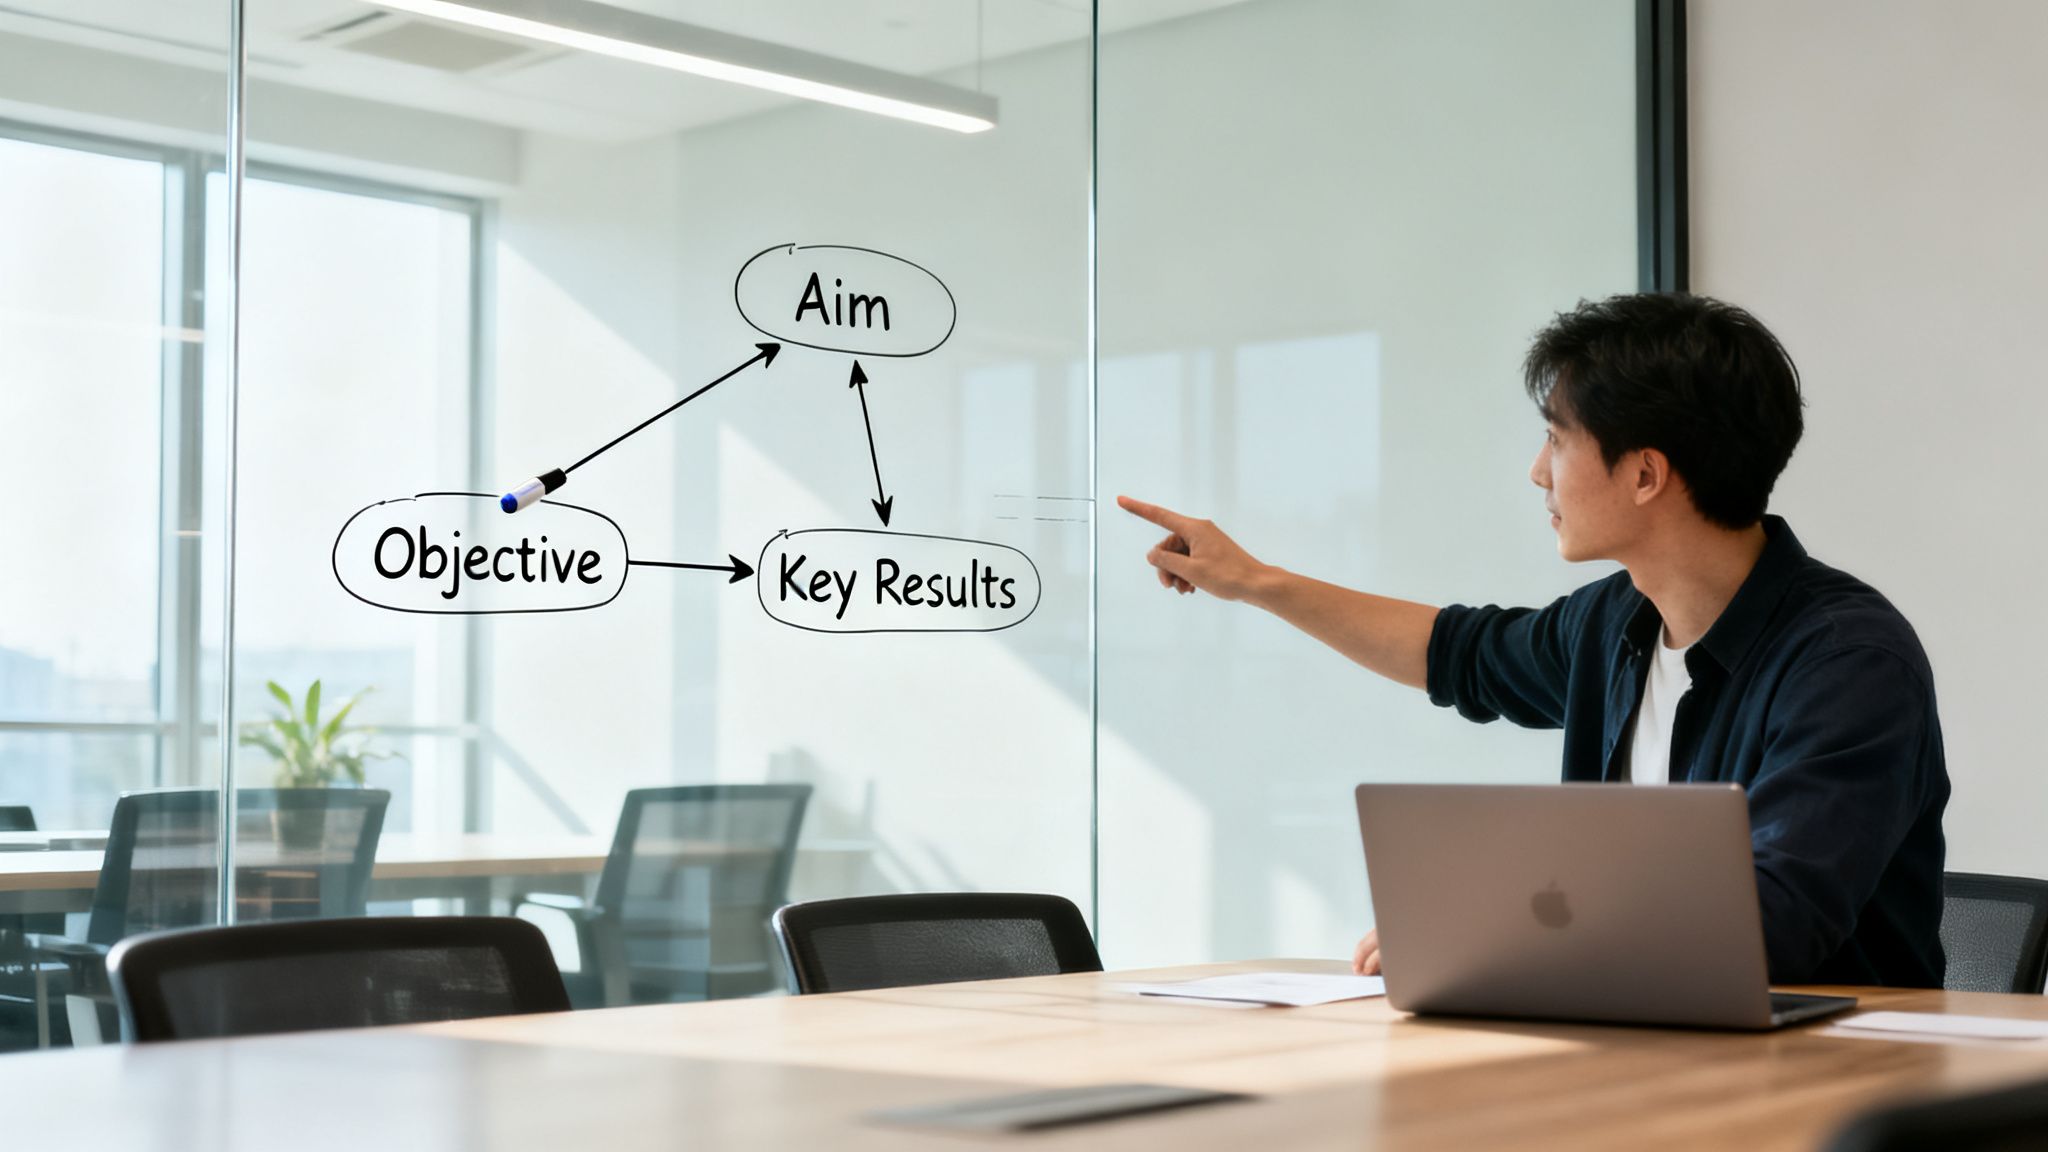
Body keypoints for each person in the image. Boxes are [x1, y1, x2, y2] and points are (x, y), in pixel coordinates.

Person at [1121, 293, 1948, 987]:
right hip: (1643, 1055)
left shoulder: (1847, 663)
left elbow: (1766, 927)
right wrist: (1255, 581)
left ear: (1646, 474)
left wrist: (1483, 934)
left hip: (1830, 1089)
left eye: (1556, 437)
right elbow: (1455, 654)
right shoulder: (1614, 623)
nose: (1537, 471)